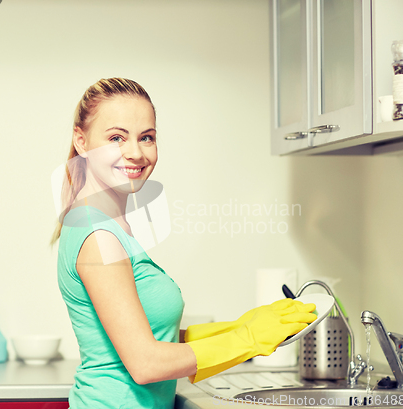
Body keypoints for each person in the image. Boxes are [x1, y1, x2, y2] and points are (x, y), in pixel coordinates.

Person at [51, 78, 317, 409]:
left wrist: (235, 328)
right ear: (81, 141)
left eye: (146, 137)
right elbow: (145, 363)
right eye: (116, 137)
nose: (135, 152)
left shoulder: (105, 223)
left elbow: (141, 337)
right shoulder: (98, 234)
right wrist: (246, 339)